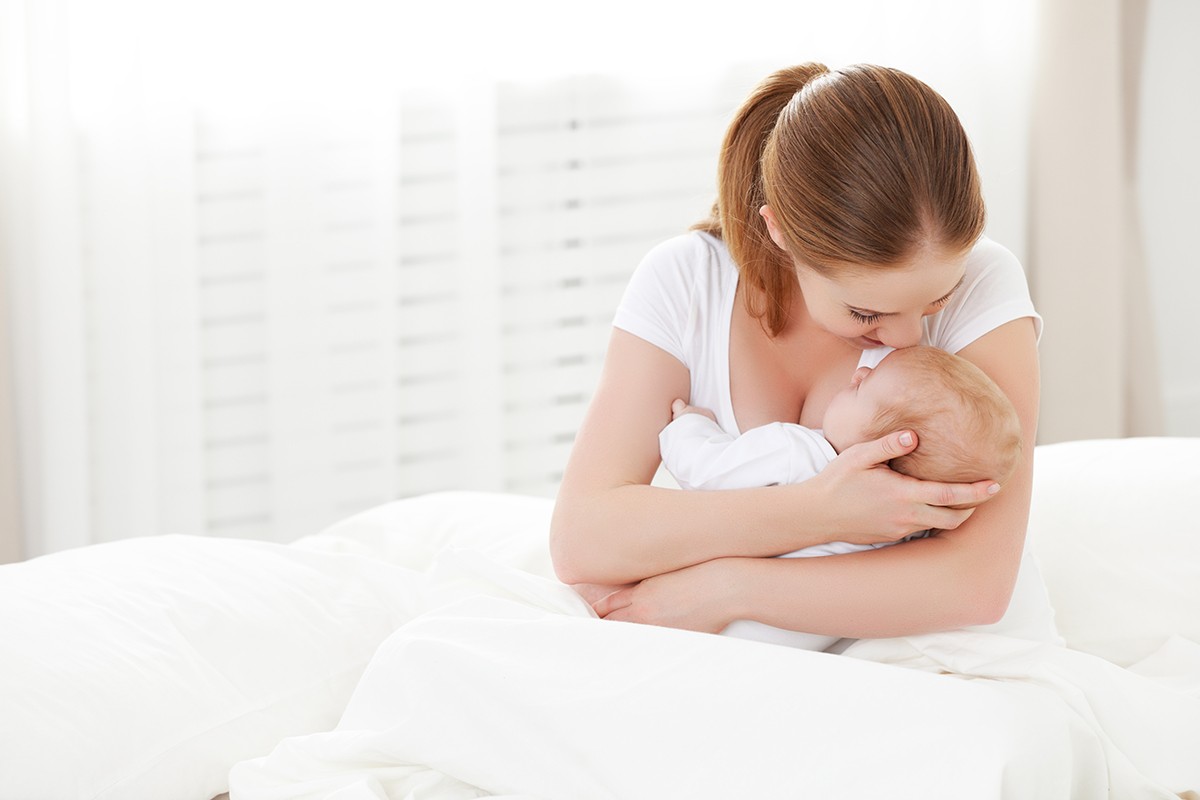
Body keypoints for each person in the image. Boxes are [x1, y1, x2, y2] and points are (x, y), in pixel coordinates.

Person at [550, 62, 1049, 646]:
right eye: (866, 313)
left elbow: (974, 587)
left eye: (937, 300)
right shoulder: (687, 282)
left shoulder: (986, 280)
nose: (910, 338)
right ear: (780, 232)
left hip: (934, 654)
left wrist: (724, 589)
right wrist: (818, 511)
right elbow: (584, 540)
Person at [659, 344, 1023, 650]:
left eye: (864, 388)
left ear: (888, 446)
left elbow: (705, 470)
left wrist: (690, 423)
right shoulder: (911, 528)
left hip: (723, 632)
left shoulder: (797, 452)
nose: (858, 375)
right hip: (795, 647)